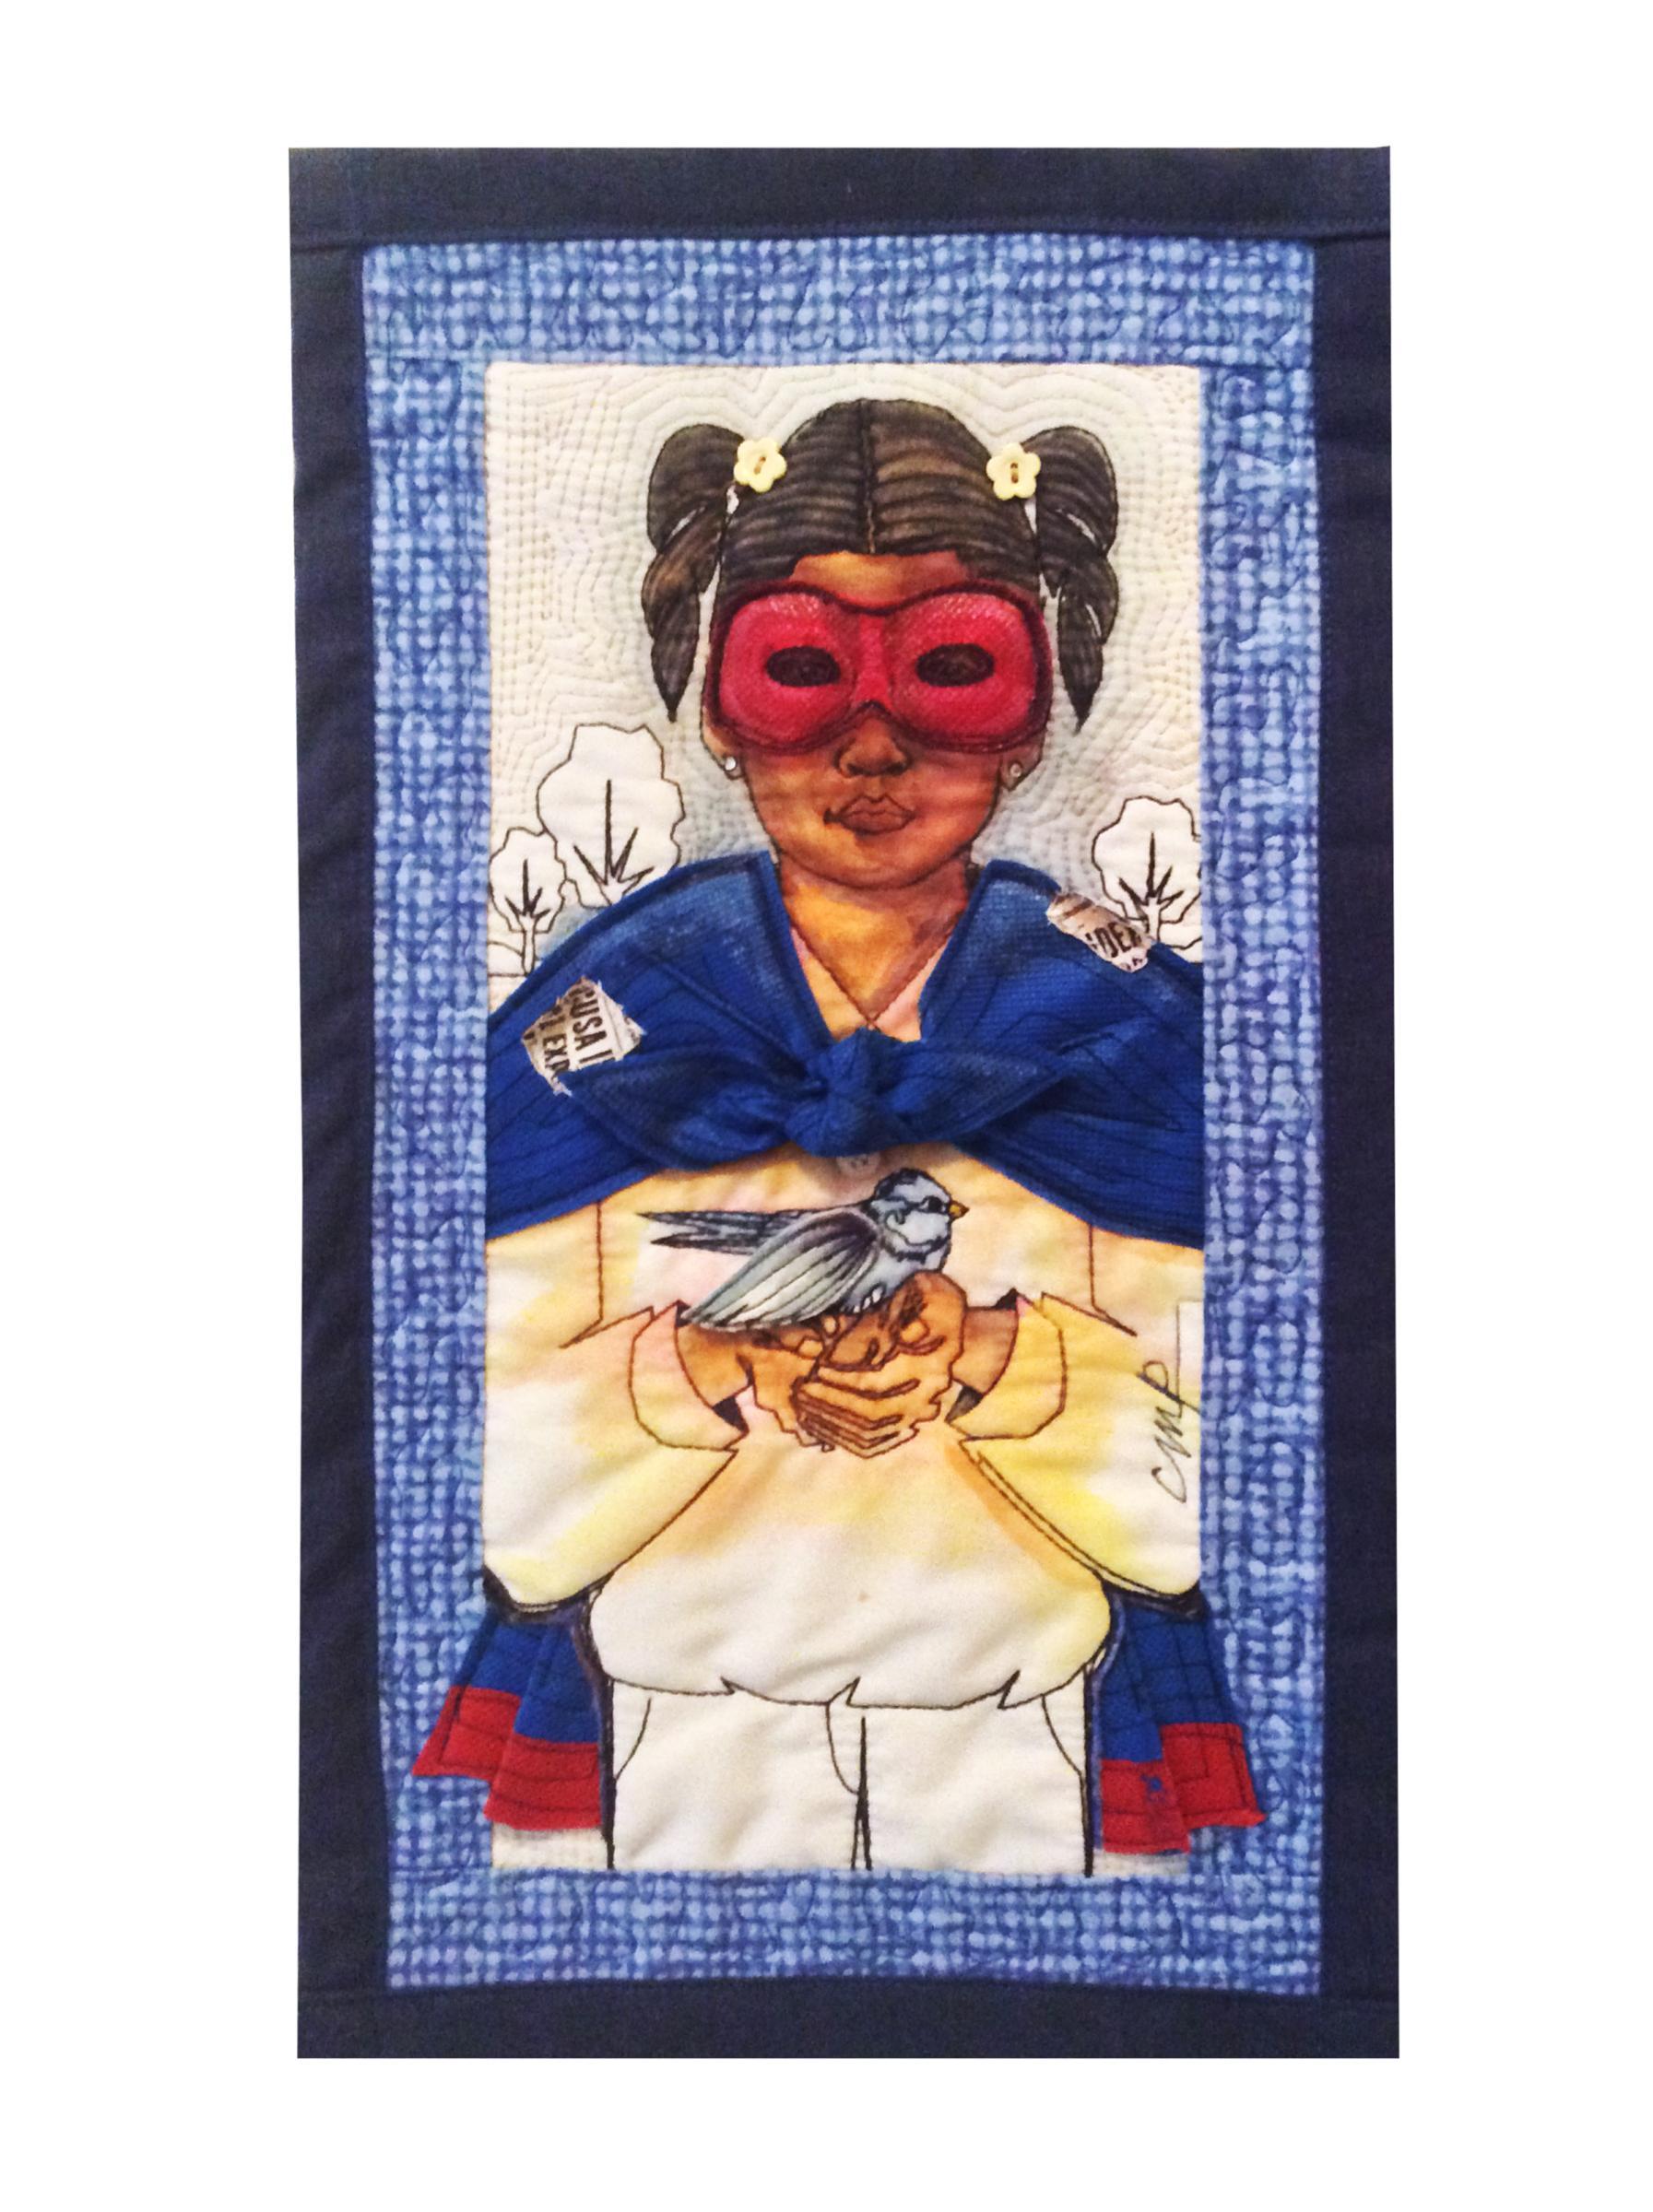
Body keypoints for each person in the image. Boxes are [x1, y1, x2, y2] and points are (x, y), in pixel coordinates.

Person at [416, 399, 1262, 1874]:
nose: (873, 749)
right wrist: (713, 1367)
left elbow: (1225, 1444)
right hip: (662, 1704)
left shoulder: (1115, 1012)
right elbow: (491, 1434)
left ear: (1028, 720)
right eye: (802, 673)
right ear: (720, 710)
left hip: (1033, 1707)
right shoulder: (615, 1010)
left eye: (951, 672)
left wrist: (996, 1356)